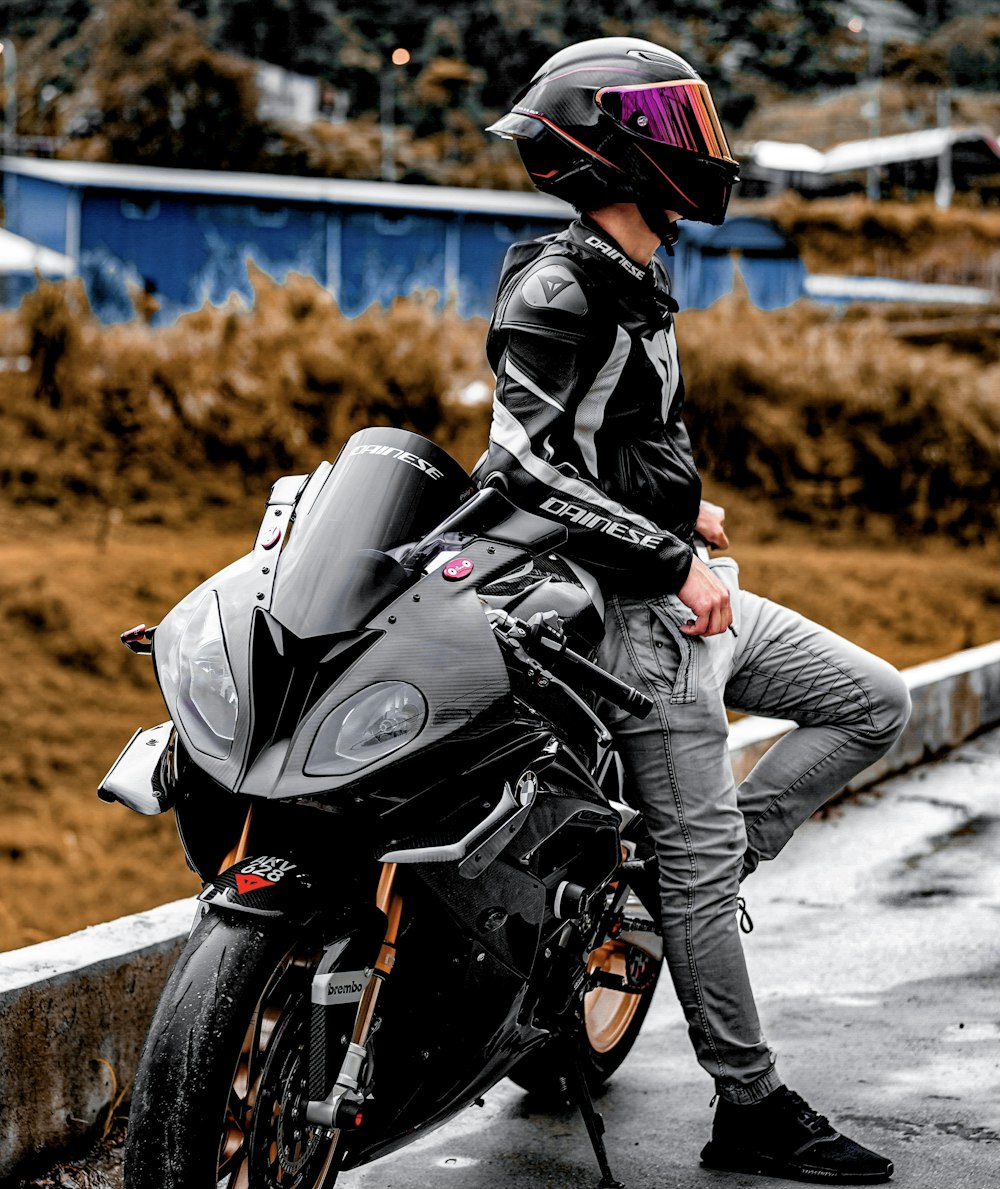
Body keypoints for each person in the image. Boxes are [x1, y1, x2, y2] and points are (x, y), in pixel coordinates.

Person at [473, 37, 911, 1185]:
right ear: (625, 150)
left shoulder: (634, 267)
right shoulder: (557, 282)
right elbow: (518, 467)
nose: (703, 152)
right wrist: (668, 560)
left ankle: (682, 885)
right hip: (627, 621)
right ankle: (751, 1101)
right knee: (699, 860)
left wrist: (686, 511)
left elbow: (606, 444)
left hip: (673, 593)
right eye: (684, 130)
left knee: (871, 699)